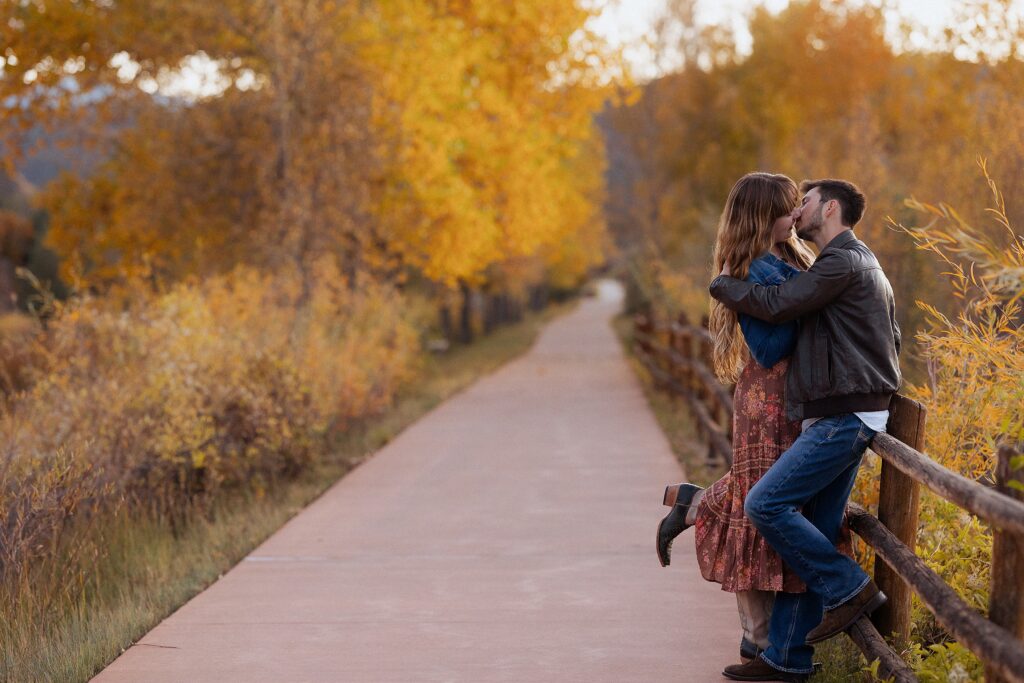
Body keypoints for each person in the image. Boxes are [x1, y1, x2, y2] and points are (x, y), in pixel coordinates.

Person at [710, 178, 902, 683]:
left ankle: (849, 587)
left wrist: (724, 285)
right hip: (837, 409)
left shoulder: (840, 261)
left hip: (843, 413)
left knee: (764, 504)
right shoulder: (842, 263)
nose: (798, 211)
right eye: (790, 204)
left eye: (806, 201)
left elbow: (777, 310)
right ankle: (788, 659)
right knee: (810, 527)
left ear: (829, 207)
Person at [655, 172, 821, 666]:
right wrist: (799, 302)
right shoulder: (746, 270)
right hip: (767, 399)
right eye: (788, 208)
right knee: (758, 509)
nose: (796, 215)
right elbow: (769, 350)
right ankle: (758, 638)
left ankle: (693, 504)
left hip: (798, 397)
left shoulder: (792, 256)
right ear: (763, 214)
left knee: (775, 498)